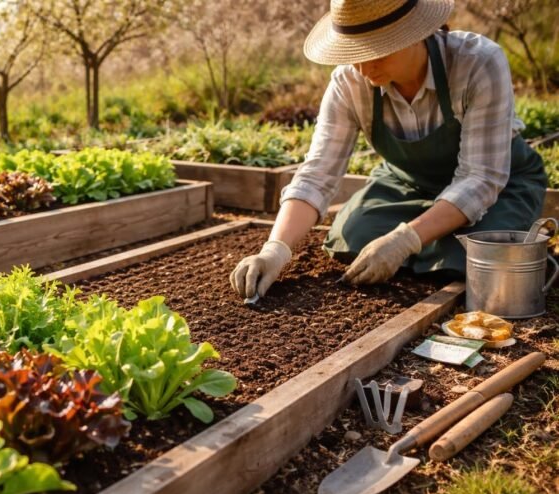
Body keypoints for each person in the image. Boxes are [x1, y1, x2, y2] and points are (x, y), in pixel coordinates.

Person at [230, 0, 547, 300]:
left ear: (414, 35)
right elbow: (317, 174)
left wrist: (405, 240)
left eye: (376, 52)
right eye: (354, 52)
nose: (364, 68)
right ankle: (426, 243)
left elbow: (480, 178)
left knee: (478, 257)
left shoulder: (477, 63)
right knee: (353, 235)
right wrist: (275, 249)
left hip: (500, 187)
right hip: (408, 183)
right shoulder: (349, 83)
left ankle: (431, 245)